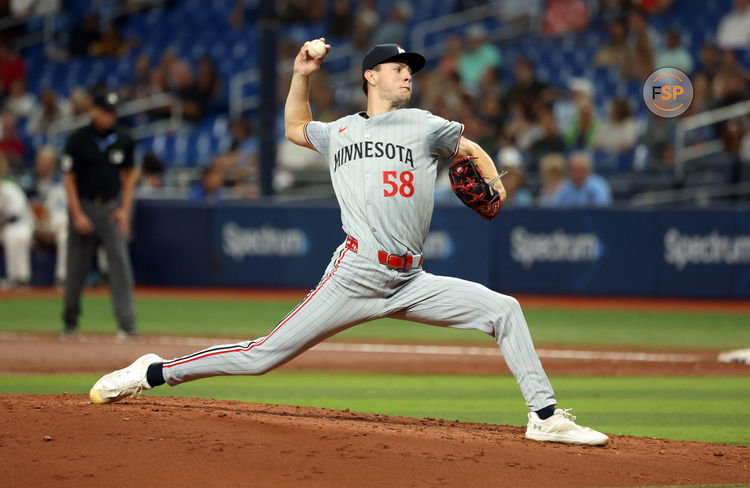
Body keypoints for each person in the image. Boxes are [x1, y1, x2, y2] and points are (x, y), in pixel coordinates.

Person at [89, 42, 609, 446]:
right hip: (356, 273)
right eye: (398, 67)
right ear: (371, 75)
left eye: (411, 68)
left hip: (412, 279)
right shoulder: (338, 131)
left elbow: (471, 148)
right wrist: (300, 74)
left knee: (505, 310)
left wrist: (494, 186)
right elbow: (294, 126)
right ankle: (152, 372)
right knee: (261, 357)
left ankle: (544, 418)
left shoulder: (425, 124)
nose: (408, 73)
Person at [61, 89, 138, 338]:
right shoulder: (78, 139)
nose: (110, 116)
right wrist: (76, 213)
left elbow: (129, 177)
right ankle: (70, 323)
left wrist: (125, 210)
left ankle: (127, 325)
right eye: (105, 111)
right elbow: (69, 177)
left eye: (113, 112)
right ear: (93, 111)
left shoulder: (124, 139)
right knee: (76, 267)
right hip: (83, 206)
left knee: (120, 265)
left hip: (111, 208)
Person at [0, 153, 33, 289]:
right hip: (5, 228)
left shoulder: (9, 188)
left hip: (19, 225)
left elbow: (14, 215)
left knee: (14, 235)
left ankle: (20, 279)